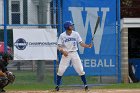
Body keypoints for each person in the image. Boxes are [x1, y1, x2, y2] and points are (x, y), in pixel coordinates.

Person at [55, 21, 92, 91]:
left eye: (72, 25)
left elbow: (81, 43)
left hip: (74, 53)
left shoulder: (76, 34)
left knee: (80, 70)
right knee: (60, 70)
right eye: (70, 25)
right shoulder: (62, 35)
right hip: (66, 54)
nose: (72, 26)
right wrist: (63, 51)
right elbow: (58, 46)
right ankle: (57, 86)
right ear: (67, 27)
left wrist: (87, 46)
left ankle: (86, 86)